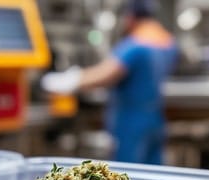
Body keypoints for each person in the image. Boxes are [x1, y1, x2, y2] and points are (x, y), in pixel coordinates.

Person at [41, 0, 178, 165]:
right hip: (155, 119)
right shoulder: (167, 44)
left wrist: (70, 80)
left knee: (128, 177)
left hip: (132, 122)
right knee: (153, 177)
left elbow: (106, 73)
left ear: (130, 17)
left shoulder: (134, 46)